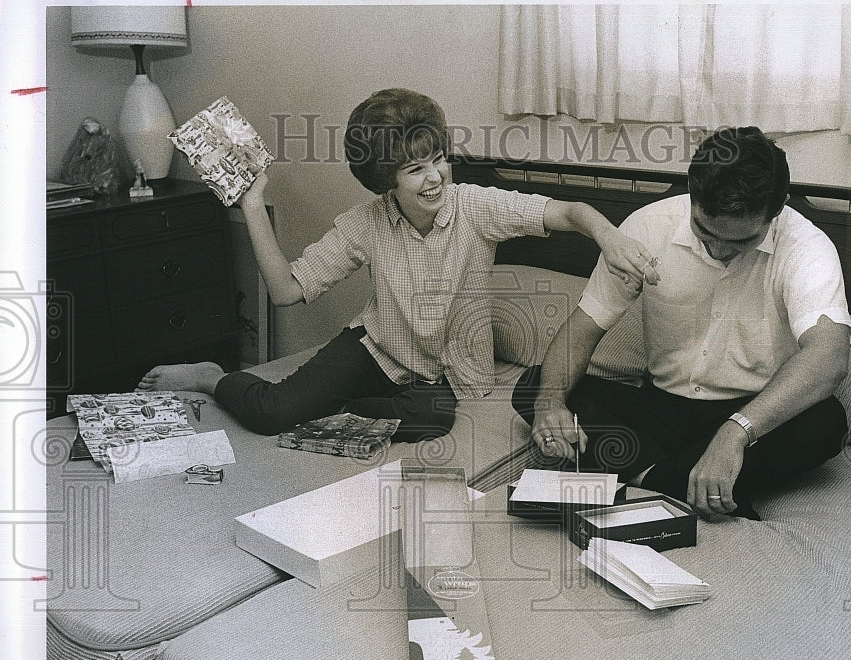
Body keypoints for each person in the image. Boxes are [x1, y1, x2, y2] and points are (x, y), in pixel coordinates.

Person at [138, 88, 657, 442]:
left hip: (446, 373)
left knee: (433, 419)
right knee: (273, 413)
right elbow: (285, 291)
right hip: (377, 350)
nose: (435, 178)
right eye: (415, 168)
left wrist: (609, 237)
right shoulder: (366, 223)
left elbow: (568, 211)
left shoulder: (475, 207)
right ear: (387, 177)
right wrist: (252, 205)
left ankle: (336, 406)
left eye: (438, 160)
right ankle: (212, 377)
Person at [512, 126, 851, 520]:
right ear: (692, 193)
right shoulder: (645, 227)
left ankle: (646, 475)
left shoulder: (807, 248)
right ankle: (678, 482)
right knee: (537, 386)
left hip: (753, 414)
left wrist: (736, 432)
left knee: (828, 422)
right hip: (660, 410)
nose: (718, 249)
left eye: (741, 241)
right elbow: (582, 331)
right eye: (705, 231)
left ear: (775, 211)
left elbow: (830, 357)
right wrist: (551, 403)